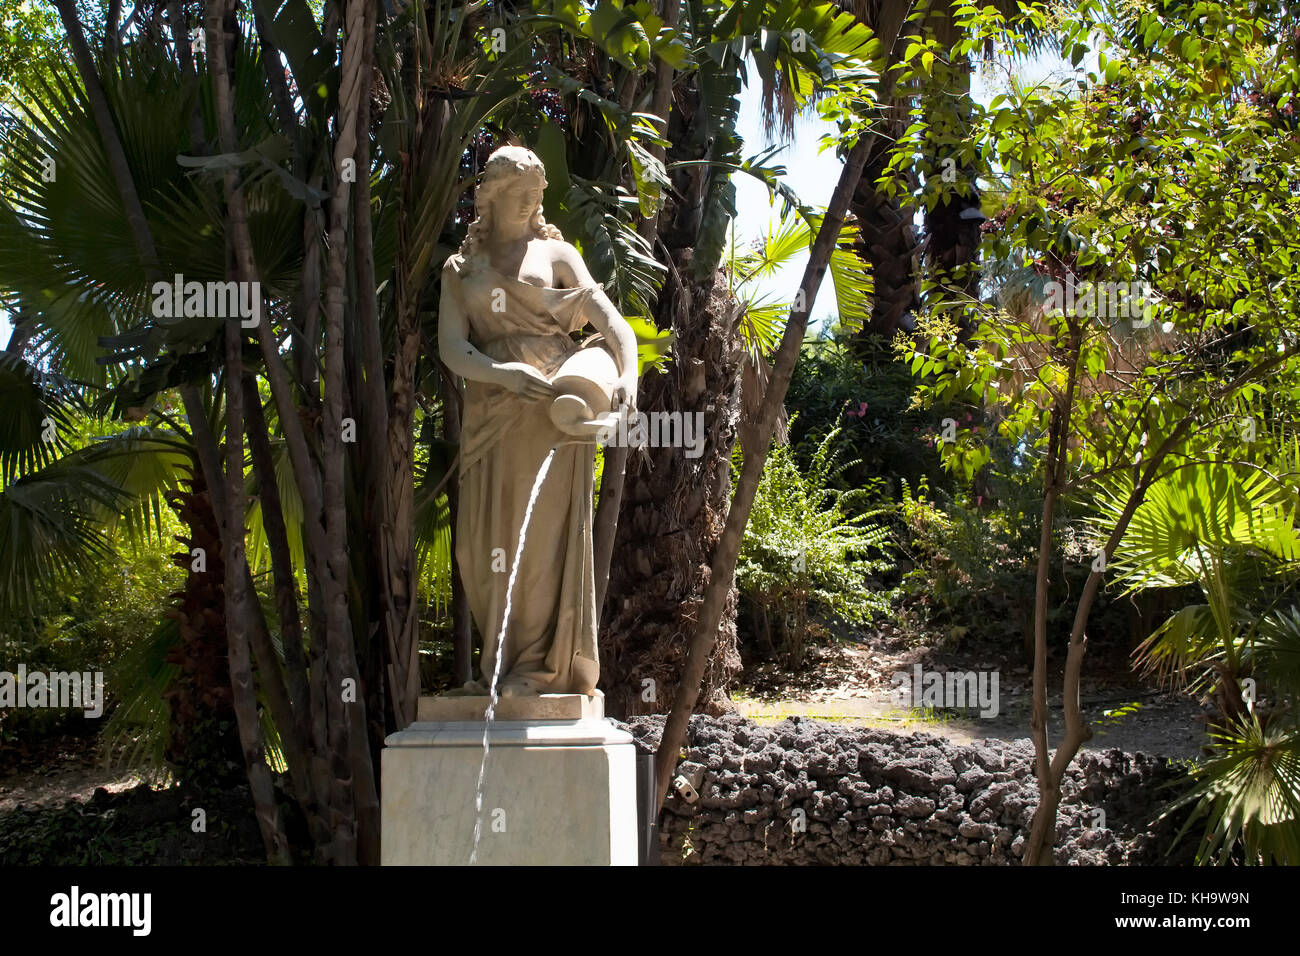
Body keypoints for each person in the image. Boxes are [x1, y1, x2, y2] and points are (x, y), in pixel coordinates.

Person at [438, 145, 638, 697]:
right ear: (492, 196)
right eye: (520, 194)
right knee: (478, 550)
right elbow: (453, 348)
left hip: (552, 412)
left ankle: (535, 670)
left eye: (537, 195)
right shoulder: (461, 269)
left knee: (539, 545)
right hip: (491, 410)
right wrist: (501, 375)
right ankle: (495, 668)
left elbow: (612, 322)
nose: (531, 205)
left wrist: (628, 376)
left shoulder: (558, 257)